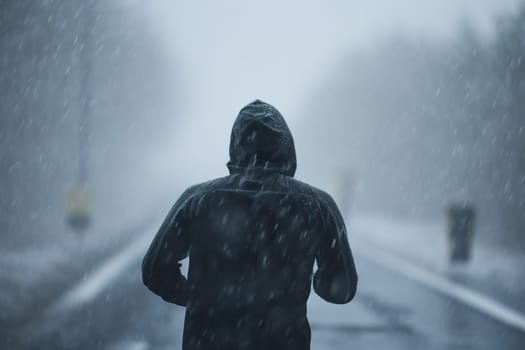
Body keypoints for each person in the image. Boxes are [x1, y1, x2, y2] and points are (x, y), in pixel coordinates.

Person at [142, 100, 358, 350]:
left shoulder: (197, 198)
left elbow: (155, 269)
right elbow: (341, 290)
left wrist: (201, 298)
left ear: (236, 145)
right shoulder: (318, 205)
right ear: (286, 147)